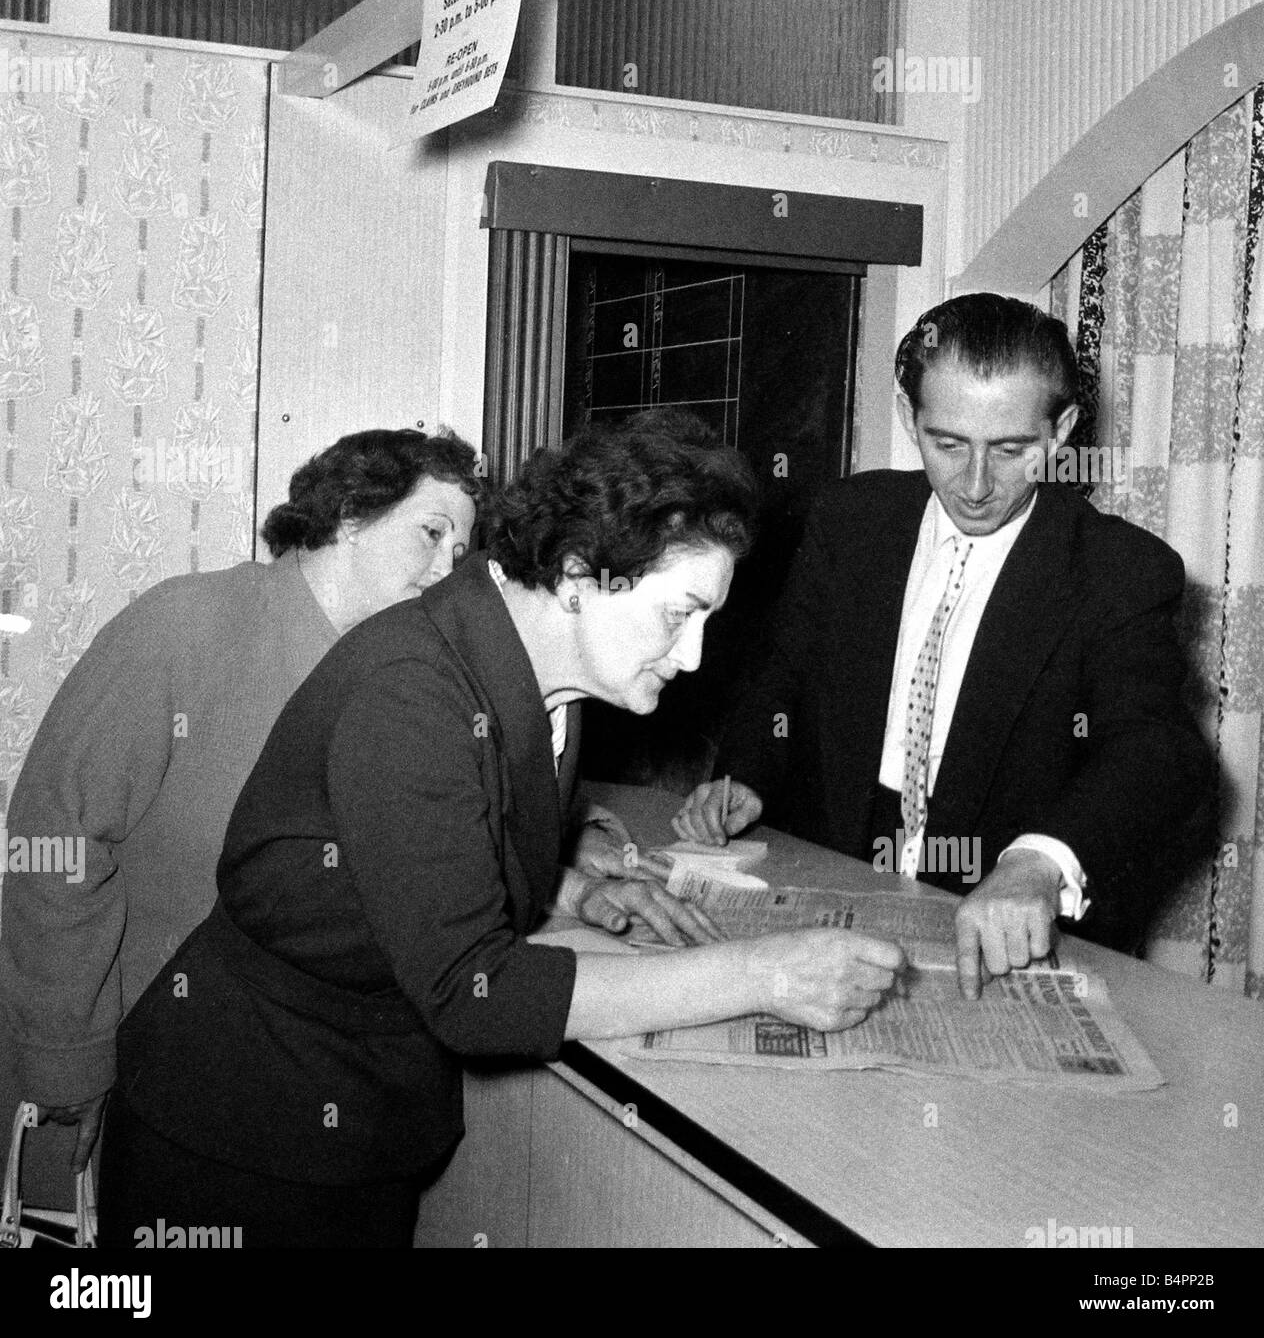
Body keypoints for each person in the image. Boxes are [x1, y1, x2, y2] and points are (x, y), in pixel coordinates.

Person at [96, 421, 904, 1248]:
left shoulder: (545, 669)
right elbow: (470, 994)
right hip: (245, 1136)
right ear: (580, 577)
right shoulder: (412, 689)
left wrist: (577, 891)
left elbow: (449, 855)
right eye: (679, 615)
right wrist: (760, 973)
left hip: (351, 1115)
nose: (694, 657)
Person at [675, 293, 1213, 994]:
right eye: (948, 444)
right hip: (835, 870)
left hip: (1003, 908)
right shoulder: (851, 519)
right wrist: (745, 773)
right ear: (909, 418)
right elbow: (786, 672)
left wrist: (1042, 861)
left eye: (1013, 449)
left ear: (1062, 432)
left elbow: (1158, 750)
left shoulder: (1120, 569)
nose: (977, 483)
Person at [0, 428, 481, 1204]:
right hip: (147, 1089)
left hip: (315, 1111)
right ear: (352, 514)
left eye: (461, 552)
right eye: (431, 533)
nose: (444, 571)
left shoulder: (403, 678)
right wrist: (67, 1061)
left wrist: (579, 861)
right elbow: (53, 842)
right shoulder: (187, 624)